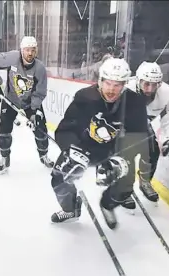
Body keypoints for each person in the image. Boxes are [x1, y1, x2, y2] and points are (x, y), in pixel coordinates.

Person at [50, 58, 150, 230]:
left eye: (117, 85)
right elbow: (65, 130)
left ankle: (107, 204)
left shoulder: (135, 103)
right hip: (84, 147)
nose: (111, 89)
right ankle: (71, 209)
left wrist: (121, 158)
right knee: (59, 177)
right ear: (100, 81)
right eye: (108, 83)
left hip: (115, 151)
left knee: (125, 186)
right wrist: (71, 150)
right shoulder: (84, 97)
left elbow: (139, 136)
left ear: (125, 84)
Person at [0, 36, 54, 174]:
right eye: (27, 50)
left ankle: (44, 155)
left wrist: (33, 111)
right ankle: (5, 158)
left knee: (40, 127)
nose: (30, 53)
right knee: (4, 128)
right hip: (10, 99)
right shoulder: (12, 58)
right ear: (21, 50)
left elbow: (40, 92)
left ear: (36, 51)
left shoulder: (39, 68)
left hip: (30, 103)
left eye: (33, 50)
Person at [125, 61, 169, 203]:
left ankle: (145, 181)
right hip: (124, 123)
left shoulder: (167, 93)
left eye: (155, 84)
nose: (150, 89)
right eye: (146, 84)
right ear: (137, 80)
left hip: (144, 122)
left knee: (153, 150)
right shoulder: (125, 90)